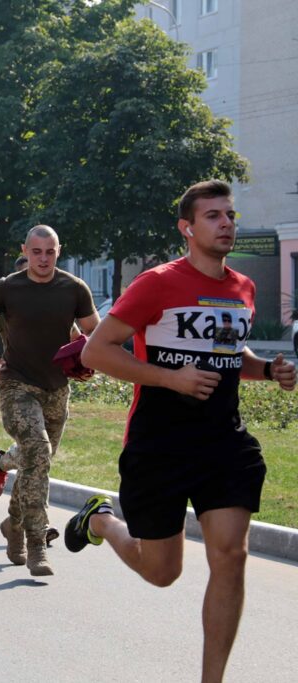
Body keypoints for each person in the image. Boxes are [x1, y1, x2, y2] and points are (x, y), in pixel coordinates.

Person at [67, 180, 296, 682]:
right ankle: (101, 520)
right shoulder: (157, 283)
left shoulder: (242, 288)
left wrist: (266, 370)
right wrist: (170, 378)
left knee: (231, 556)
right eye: (213, 216)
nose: (226, 223)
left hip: (224, 443)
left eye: (230, 215)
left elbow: (230, 353)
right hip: (159, 445)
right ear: (186, 228)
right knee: (162, 571)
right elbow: (97, 351)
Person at [0, 225, 98, 576]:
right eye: (36, 252)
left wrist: (89, 354)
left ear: (59, 251)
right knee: (38, 452)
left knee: (35, 464)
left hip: (57, 388)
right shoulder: (6, 288)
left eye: (50, 252)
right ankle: (36, 542)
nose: (43, 259)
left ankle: (13, 524)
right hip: (17, 384)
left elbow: (95, 332)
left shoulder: (74, 289)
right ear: (24, 251)